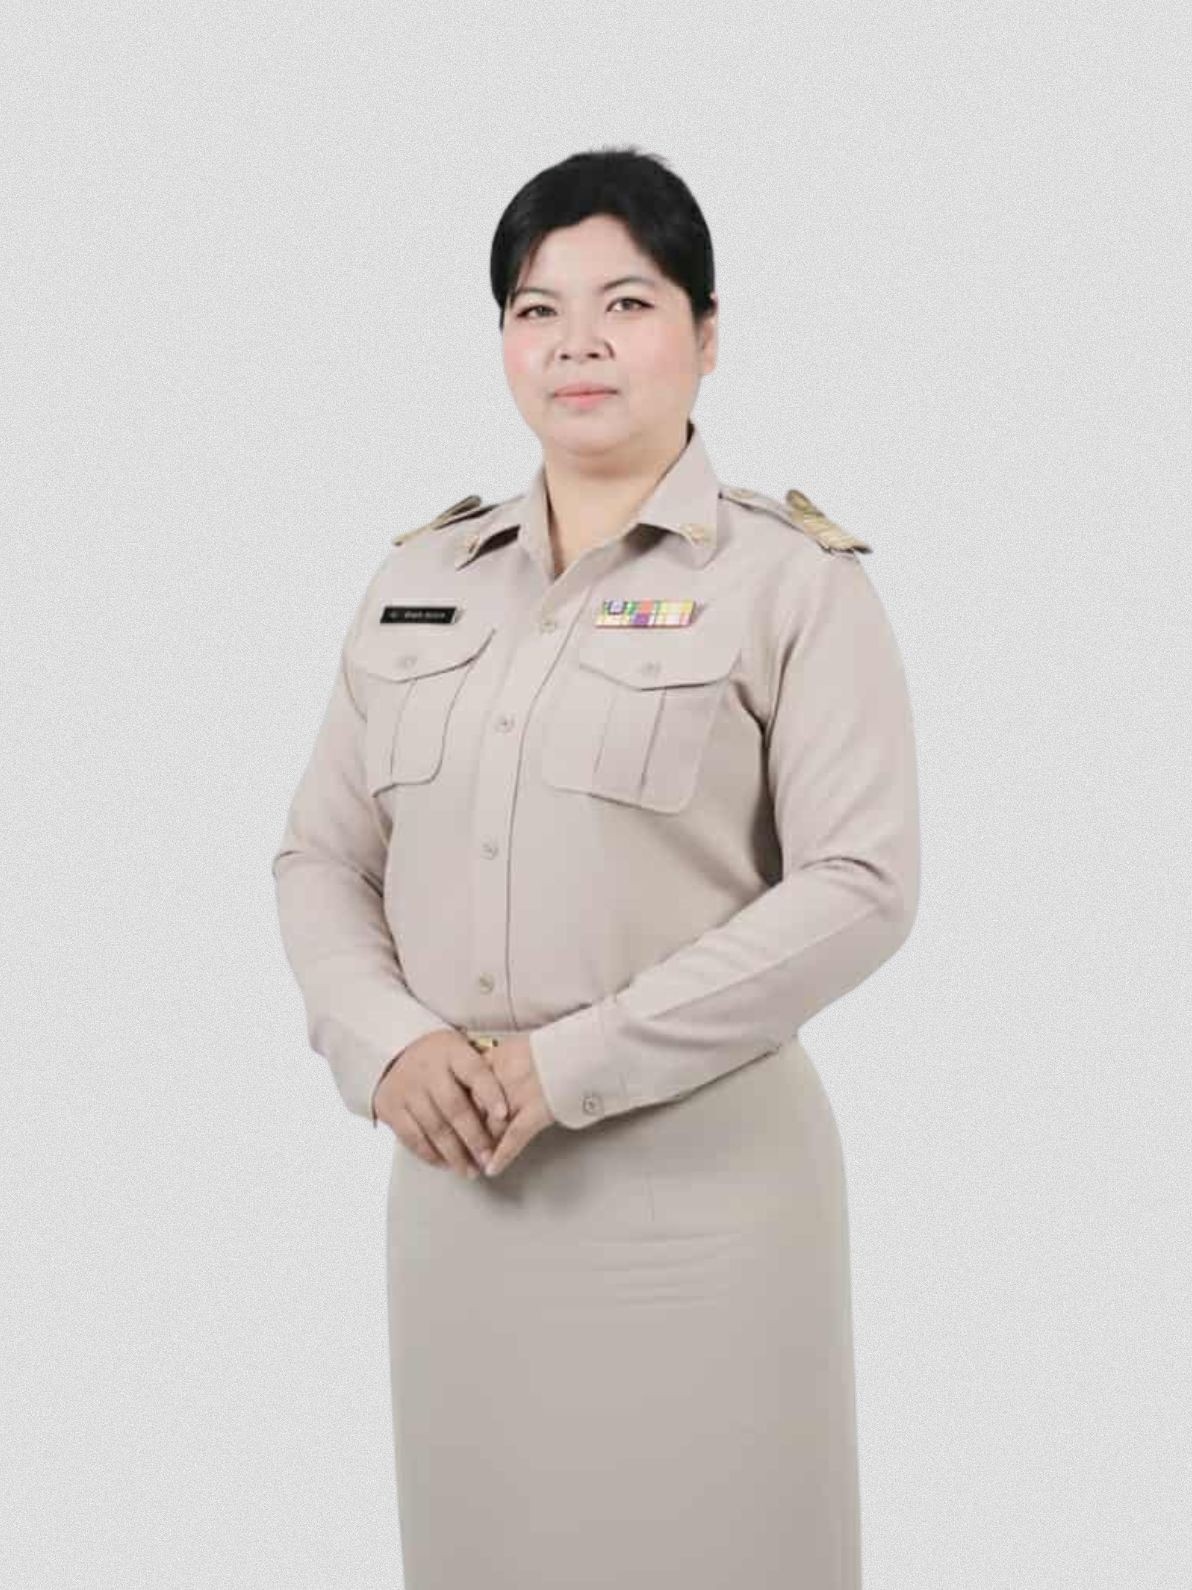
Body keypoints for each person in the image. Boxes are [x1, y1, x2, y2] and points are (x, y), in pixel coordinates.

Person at [271, 144, 919, 1590]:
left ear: (706, 333)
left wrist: (576, 1061)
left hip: (703, 1203)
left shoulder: (792, 582)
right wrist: (387, 1044)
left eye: (626, 304)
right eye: (536, 309)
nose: (577, 343)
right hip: (464, 1195)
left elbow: (861, 882)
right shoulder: (418, 582)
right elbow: (321, 855)